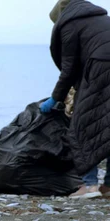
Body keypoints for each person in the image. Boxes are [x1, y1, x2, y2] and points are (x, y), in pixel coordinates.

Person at [39, 0, 110, 179]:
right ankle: (108, 185)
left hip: (100, 68)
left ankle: (89, 184)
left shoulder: (69, 25)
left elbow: (69, 69)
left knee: (83, 124)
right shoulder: (101, 19)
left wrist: (55, 98)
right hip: (101, 66)